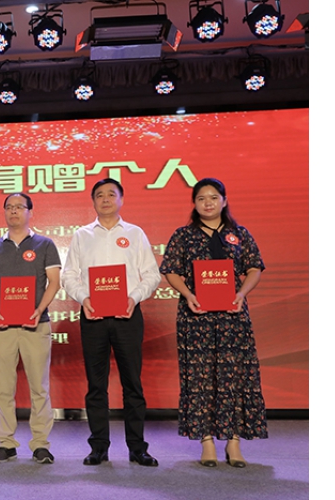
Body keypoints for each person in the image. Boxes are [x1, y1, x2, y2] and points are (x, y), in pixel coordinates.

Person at [159, 177, 267, 468]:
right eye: (201, 198)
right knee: (199, 378)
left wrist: (241, 294)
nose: (207, 203)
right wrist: (188, 295)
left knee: (235, 377)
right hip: (196, 318)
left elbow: (254, 268)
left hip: (233, 317)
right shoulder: (183, 235)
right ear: (194, 204)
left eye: (213, 197)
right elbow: (171, 271)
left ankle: (233, 442)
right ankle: (206, 441)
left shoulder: (239, 234)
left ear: (224, 201)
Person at [62, 178, 161, 467]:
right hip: (92, 316)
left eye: (111, 194)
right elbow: (69, 275)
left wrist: (133, 298)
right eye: (100, 195)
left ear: (121, 199)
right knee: (96, 385)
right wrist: (84, 298)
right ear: (93, 201)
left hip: (128, 316)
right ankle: (99, 447)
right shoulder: (82, 235)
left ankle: (137, 448)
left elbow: (151, 274)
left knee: (133, 384)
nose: (105, 199)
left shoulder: (135, 233)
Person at [0, 193, 62, 464]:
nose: (14, 211)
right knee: (3, 389)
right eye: (9, 207)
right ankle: (6, 443)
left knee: (40, 388)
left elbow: (54, 282)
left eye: (19, 207)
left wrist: (39, 310)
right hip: (2, 327)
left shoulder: (45, 244)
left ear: (30, 212)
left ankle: (40, 444)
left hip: (36, 325)